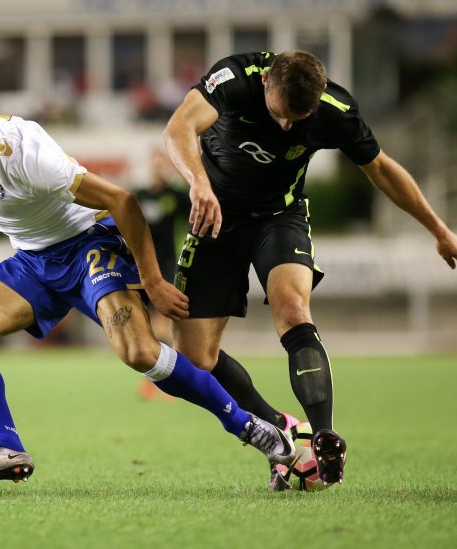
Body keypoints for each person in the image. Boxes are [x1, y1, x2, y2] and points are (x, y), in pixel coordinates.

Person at [0, 91, 296, 488]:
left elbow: (122, 201)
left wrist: (154, 280)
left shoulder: (26, 153)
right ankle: (5, 446)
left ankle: (250, 427)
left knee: (138, 352)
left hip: (87, 247)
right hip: (33, 260)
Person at [162, 50, 457, 489]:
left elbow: (382, 170)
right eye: (280, 115)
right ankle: (282, 428)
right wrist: (199, 184)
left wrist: (439, 229)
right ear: (266, 85)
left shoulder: (333, 110)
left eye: (297, 119)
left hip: (280, 219)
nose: (286, 127)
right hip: (215, 217)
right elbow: (178, 128)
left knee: (293, 310)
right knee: (195, 358)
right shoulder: (235, 78)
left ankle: (323, 435)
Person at [134, 148, 189, 400]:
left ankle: (169, 381)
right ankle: (159, 380)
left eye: (161, 164)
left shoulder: (176, 196)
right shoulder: (139, 196)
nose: (157, 168)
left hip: (167, 265)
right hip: (140, 267)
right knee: (145, 326)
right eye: (153, 163)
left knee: (162, 323)